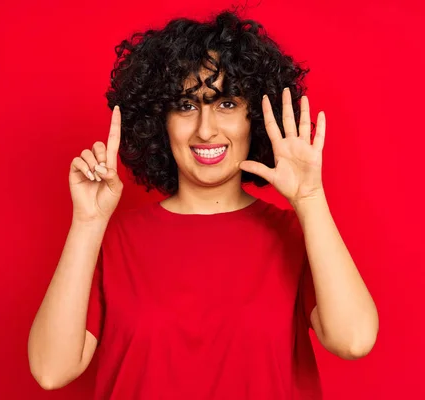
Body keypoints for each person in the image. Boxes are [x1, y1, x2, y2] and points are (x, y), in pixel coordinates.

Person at [27, 9, 379, 400]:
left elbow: (355, 340)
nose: (205, 129)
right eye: (186, 105)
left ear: (255, 118)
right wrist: (87, 222)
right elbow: (49, 370)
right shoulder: (112, 241)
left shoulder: (294, 234)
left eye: (226, 104)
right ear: (160, 120)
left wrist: (310, 200)